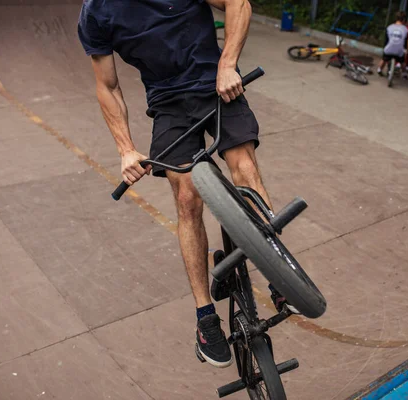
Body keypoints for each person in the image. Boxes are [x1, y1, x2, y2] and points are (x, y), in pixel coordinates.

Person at [77, 0, 294, 368]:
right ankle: (204, 317)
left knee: (243, 166)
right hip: (169, 106)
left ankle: (278, 271)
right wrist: (126, 149)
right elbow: (107, 85)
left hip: (218, 85)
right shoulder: (96, 13)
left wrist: (227, 65)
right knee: (187, 196)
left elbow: (238, 3)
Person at [377, 11, 408, 78]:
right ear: (404, 20)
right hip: (399, 51)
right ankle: (404, 74)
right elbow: (405, 42)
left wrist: (385, 47)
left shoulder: (389, 27)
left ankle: (379, 69)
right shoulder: (406, 29)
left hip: (389, 49)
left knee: (384, 59)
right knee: (402, 61)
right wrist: (405, 49)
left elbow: (386, 40)